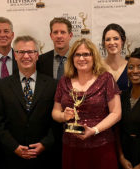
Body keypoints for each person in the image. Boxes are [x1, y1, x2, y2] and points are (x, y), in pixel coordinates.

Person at [52, 38, 121, 169]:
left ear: (94, 57)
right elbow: (55, 112)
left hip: (101, 147)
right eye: (77, 54)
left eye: (86, 54)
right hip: (71, 147)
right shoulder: (63, 81)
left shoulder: (106, 79)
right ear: (72, 58)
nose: (81, 58)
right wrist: (63, 116)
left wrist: (94, 130)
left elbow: (116, 113)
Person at [0, 35, 56, 169]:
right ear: (15, 55)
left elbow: (56, 122)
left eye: (30, 52)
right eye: (21, 52)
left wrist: (45, 144)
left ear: (37, 55)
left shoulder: (52, 85)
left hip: (45, 157)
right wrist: (14, 146)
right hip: (12, 157)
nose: (26, 56)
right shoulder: (1, 86)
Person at [36, 17, 73, 169]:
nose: (59, 36)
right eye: (55, 32)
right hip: (47, 124)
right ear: (50, 35)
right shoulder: (41, 60)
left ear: (70, 35)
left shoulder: (80, 59)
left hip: (75, 123)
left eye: (63, 32)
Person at [102, 23, 130, 91]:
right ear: (104, 43)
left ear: (122, 41)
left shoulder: (131, 67)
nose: (112, 42)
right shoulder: (98, 67)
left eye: (116, 39)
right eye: (108, 39)